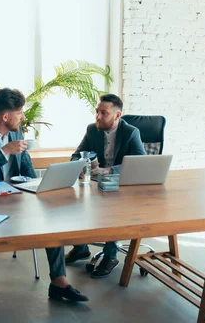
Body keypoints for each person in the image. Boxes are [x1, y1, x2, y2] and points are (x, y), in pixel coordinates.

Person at [0, 88, 88, 302]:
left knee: (52, 217)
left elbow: (26, 164)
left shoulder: (16, 132)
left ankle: (59, 280)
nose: (22, 116)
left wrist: (39, 185)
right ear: (5, 116)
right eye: (19, 112)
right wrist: (4, 151)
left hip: (18, 196)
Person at [66, 93, 146, 278]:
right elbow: (76, 155)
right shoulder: (92, 129)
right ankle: (80, 248)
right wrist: (81, 164)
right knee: (72, 201)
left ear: (117, 116)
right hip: (95, 182)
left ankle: (110, 256)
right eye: (97, 112)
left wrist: (110, 171)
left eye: (104, 113)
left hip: (121, 184)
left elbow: (139, 161)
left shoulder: (131, 132)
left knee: (112, 207)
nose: (98, 117)